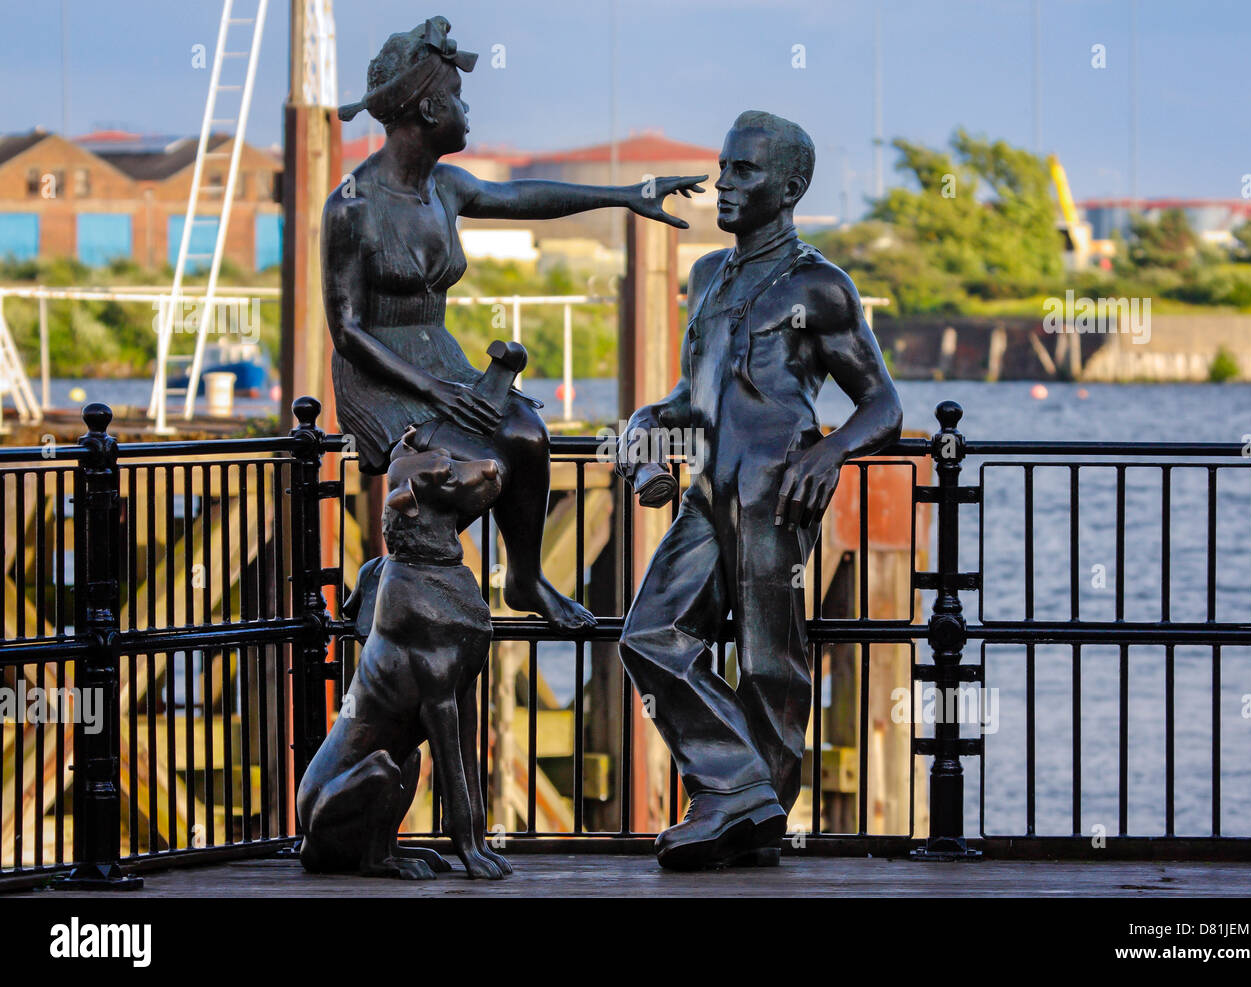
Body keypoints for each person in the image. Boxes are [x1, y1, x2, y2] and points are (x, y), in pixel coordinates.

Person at [324, 17, 704, 629]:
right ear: (427, 108)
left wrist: (625, 195)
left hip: (440, 357)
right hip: (382, 375)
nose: (468, 111)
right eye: (458, 99)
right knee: (464, 462)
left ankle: (524, 579)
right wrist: (435, 391)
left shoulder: (445, 187)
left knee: (525, 430)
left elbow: (526, 196)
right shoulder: (351, 205)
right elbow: (346, 330)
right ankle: (387, 578)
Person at [617, 111, 903, 870]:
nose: (725, 183)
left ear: (790, 186)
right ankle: (739, 789)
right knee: (650, 634)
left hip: (777, 489)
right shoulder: (707, 275)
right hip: (709, 491)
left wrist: (834, 451)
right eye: (723, 166)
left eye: (745, 171)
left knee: (770, 662)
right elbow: (688, 395)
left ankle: (749, 819)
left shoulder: (821, 285)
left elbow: (884, 405)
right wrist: (644, 435)